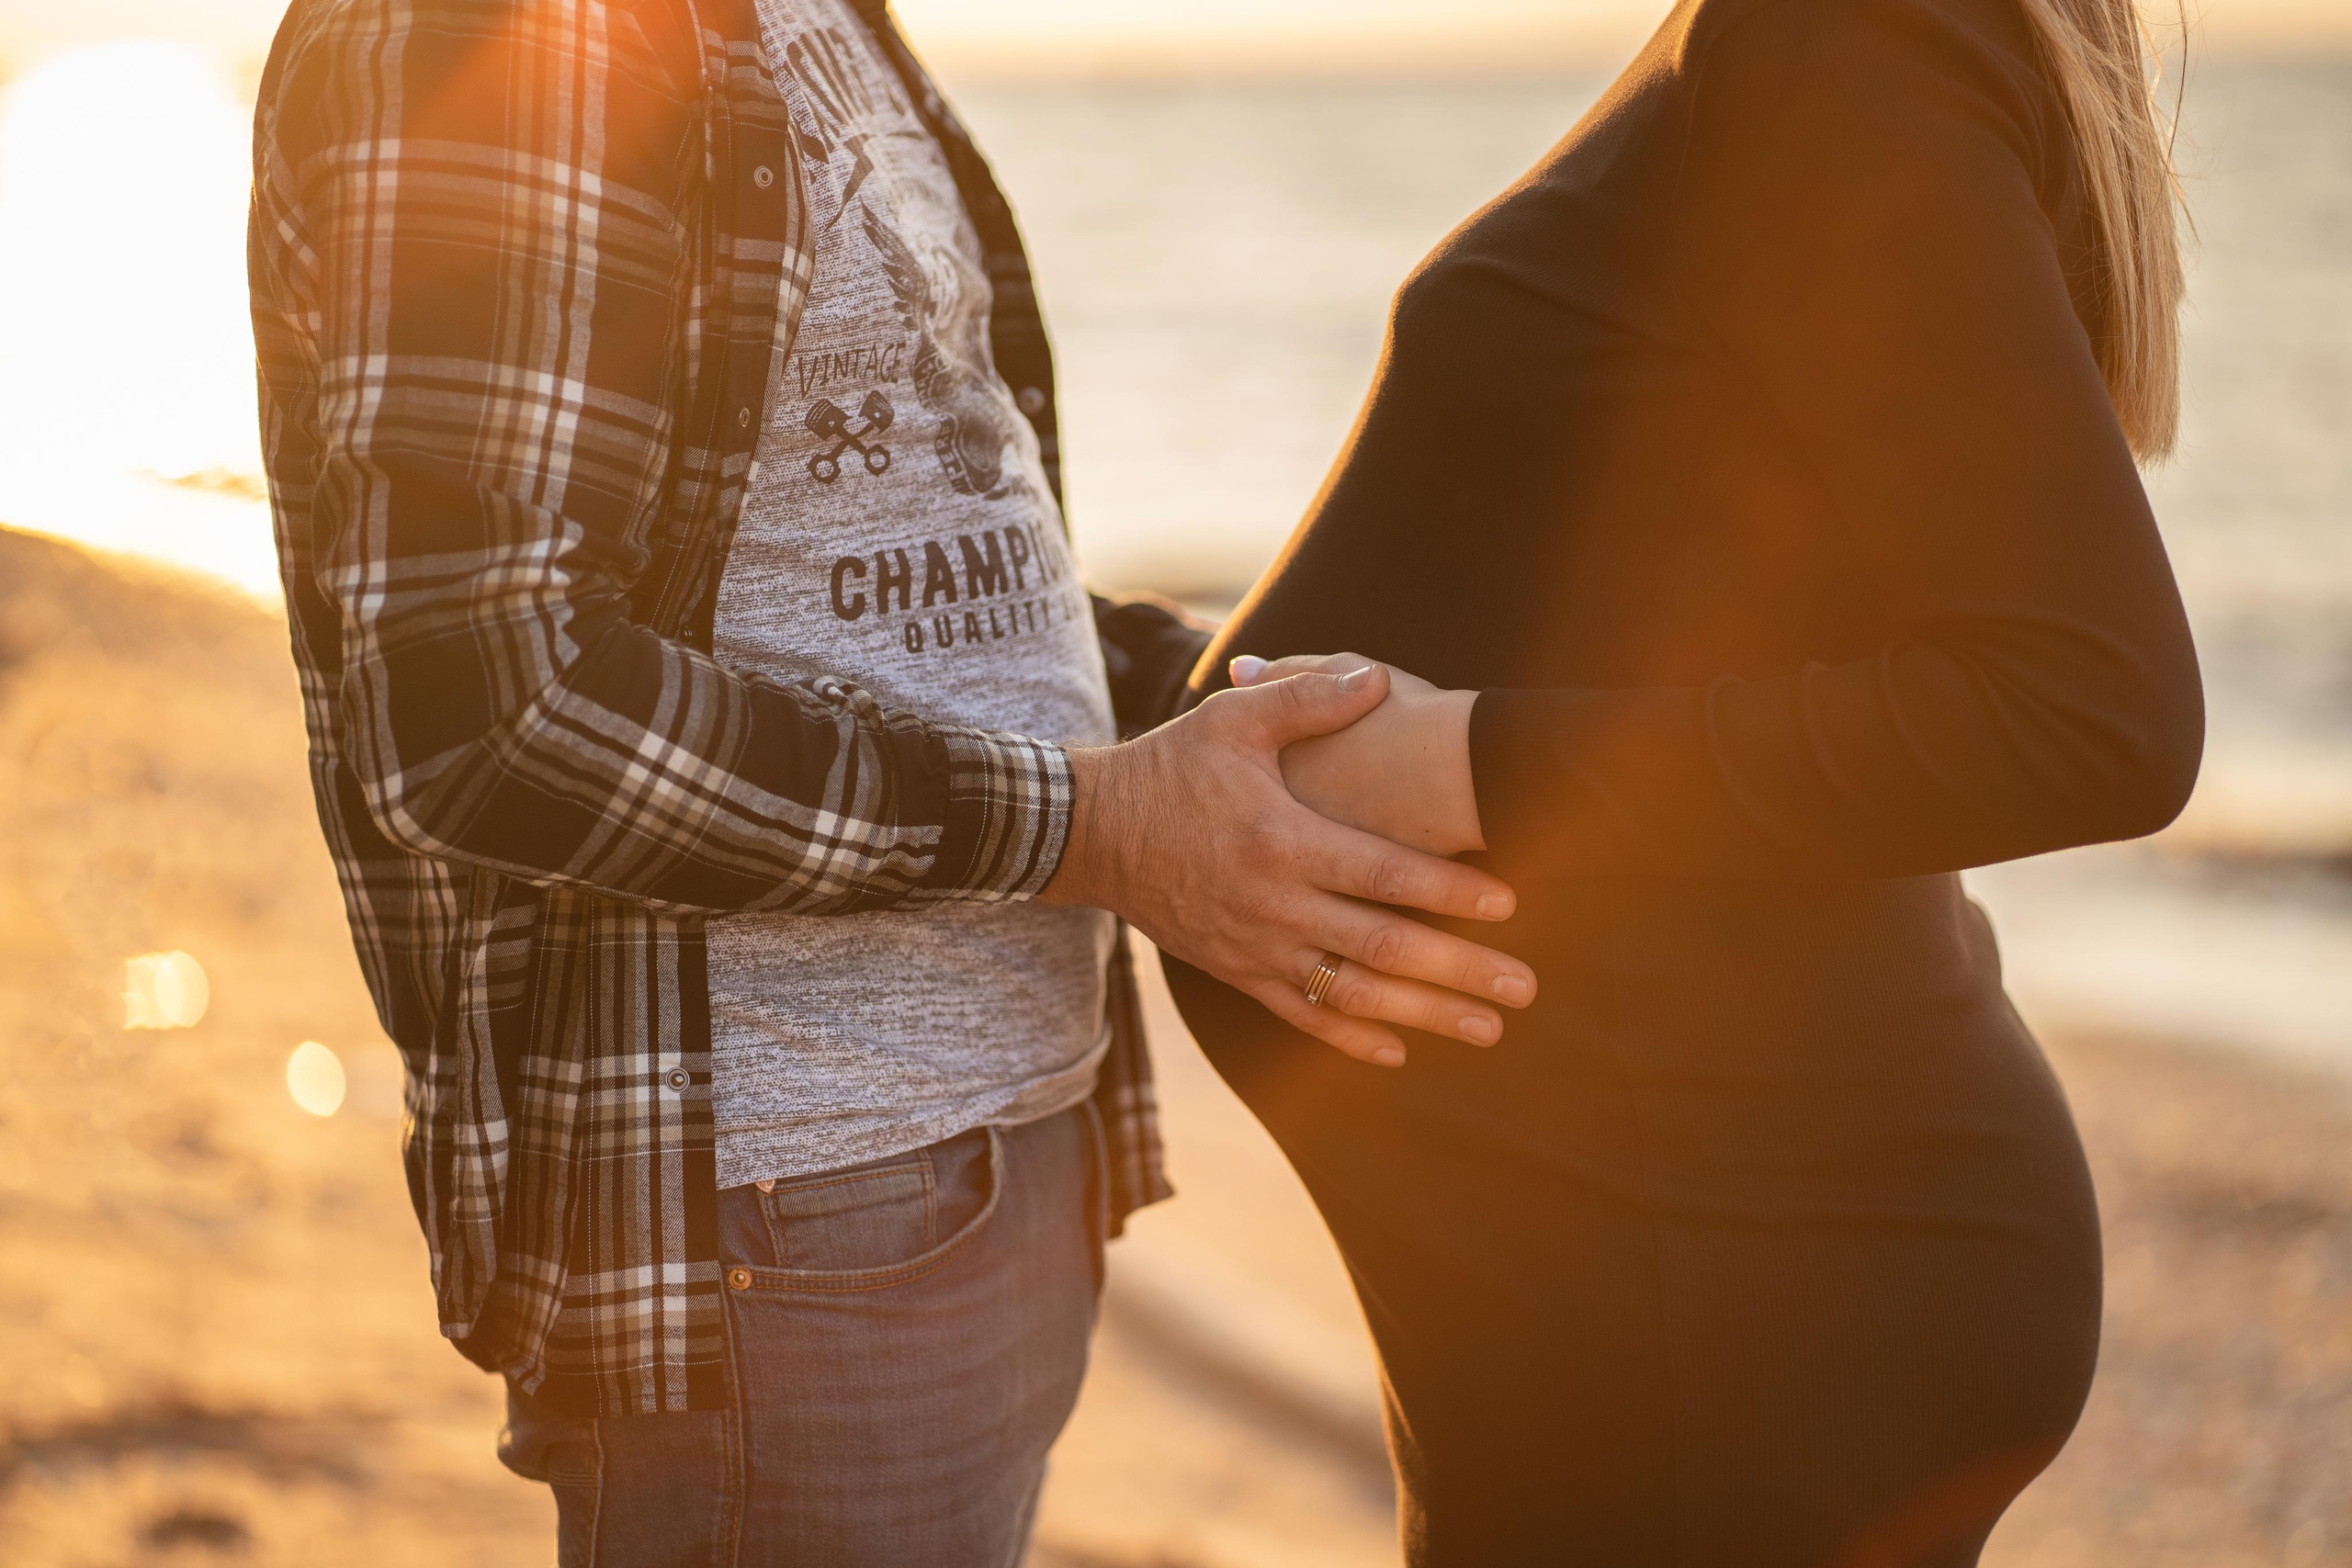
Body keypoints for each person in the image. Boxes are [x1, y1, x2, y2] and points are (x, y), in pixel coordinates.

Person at [245, 1, 1537, 1562]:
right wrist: (1104, 825)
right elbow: (486, 706)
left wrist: (1248, 703)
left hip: (984, 1151)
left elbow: (931, 571)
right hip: (784, 1207)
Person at [1165, 0, 2203, 1561]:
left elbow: (2092, 712)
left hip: (1724, 1269)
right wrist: (1170, 721)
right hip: (1664, 1239)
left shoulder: (1837, 40)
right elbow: (1644, 597)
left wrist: (1462, 767)